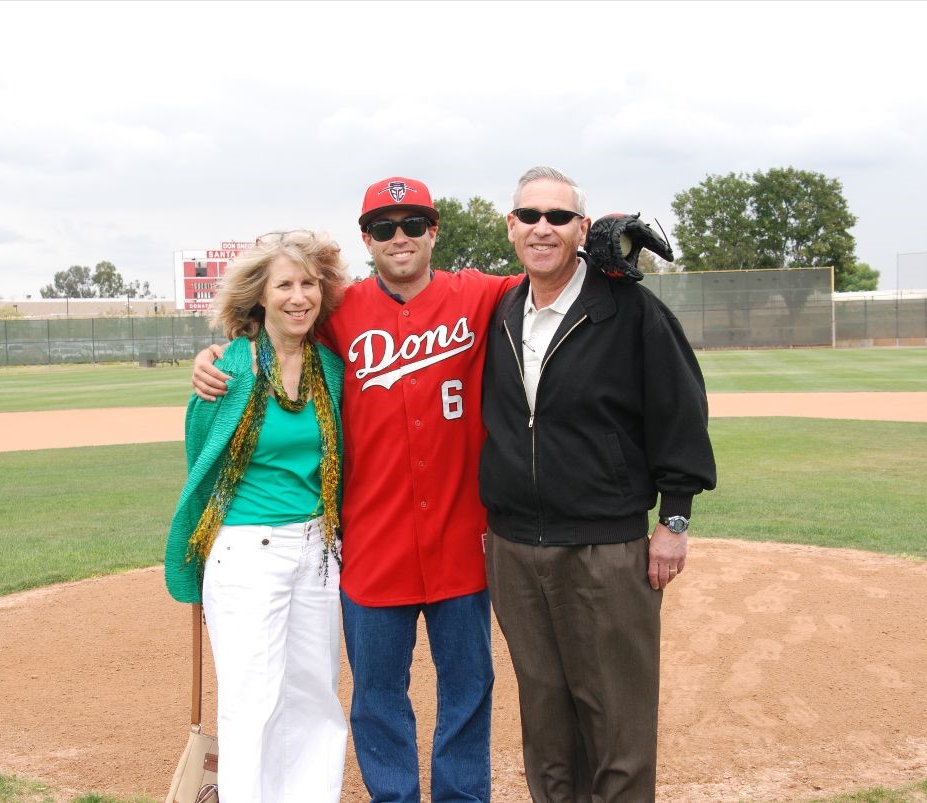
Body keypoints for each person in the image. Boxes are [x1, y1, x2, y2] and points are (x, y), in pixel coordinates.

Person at [192, 177, 518, 802]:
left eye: (413, 223)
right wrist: (217, 354)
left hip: (459, 539)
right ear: (365, 239)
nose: (400, 237)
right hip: (372, 543)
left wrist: (601, 242)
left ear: (434, 229)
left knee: (470, 688)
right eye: (384, 227)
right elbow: (271, 333)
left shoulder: (479, 294)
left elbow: (548, 272)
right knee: (374, 695)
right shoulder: (339, 313)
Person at [478, 166, 717, 802]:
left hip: (604, 550)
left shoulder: (629, 309)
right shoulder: (500, 310)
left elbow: (681, 411)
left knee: (617, 726)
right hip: (515, 548)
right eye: (530, 216)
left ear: (583, 229)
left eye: (559, 217)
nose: (543, 228)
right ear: (512, 226)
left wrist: (674, 521)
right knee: (546, 725)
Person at [164, 229, 349, 802]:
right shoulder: (228, 369)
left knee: (315, 695)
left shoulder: (331, 369)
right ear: (260, 297)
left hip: (319, 549)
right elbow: (201, 460)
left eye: (309, 284)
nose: (299, 296)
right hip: (246, 551)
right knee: (253, 699)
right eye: (285, 285)